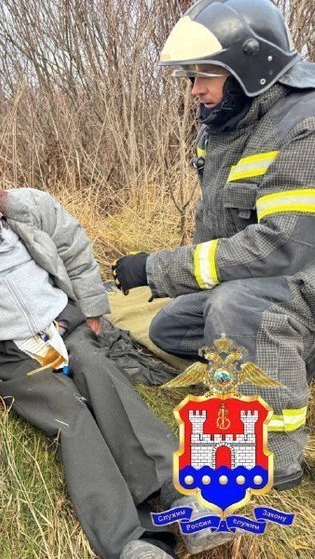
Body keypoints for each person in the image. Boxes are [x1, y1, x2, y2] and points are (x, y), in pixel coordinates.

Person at [0, 182, 231, 558]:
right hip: (7, 352)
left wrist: (90, 307)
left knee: (100, 375)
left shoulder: (26, 208)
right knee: (68, 412)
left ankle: (179, 493)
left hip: (63, 326)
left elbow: (74, 247)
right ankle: (127, 541)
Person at [112, 0, 315, 491]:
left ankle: (273, 457)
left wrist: (157, 269)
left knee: (235, 305)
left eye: (206, 74)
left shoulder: (304, 126)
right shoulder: (228, 121)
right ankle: (273, 355)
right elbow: (220, 232)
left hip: (302, 278)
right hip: (279, 288)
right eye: (191, 76)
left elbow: (278, 247)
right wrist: (180, 284)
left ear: (249, 67)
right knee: (170, 325)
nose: (195, 90)